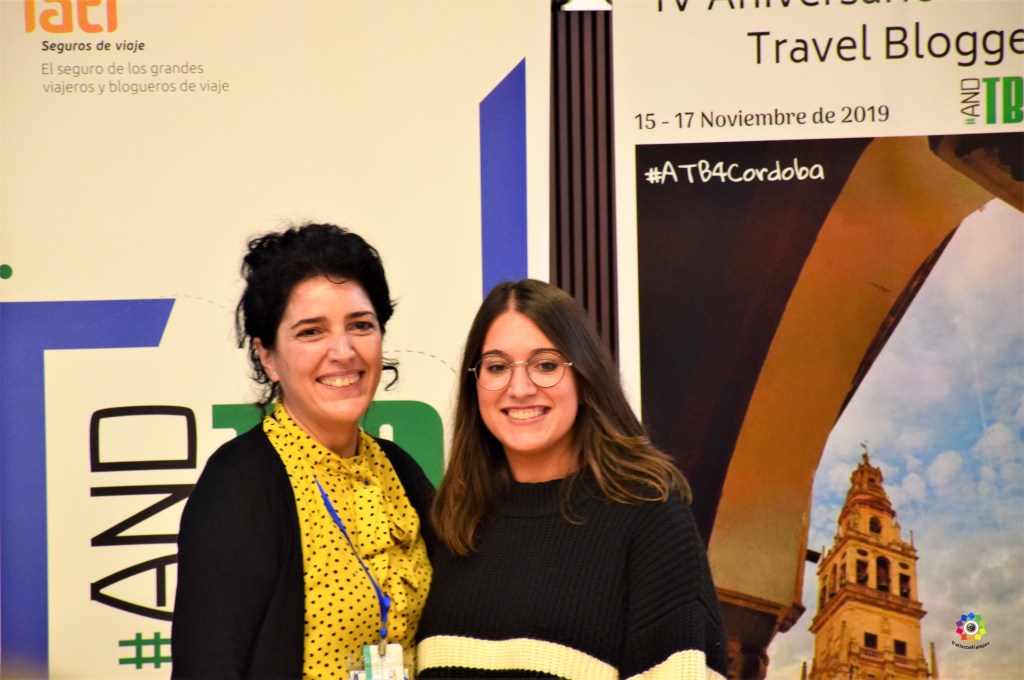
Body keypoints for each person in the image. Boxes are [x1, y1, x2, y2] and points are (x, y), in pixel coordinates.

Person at [416, 279, 728, 679]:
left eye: (545, 365)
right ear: (473, 384)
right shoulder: (453, 520)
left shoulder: (649, 515)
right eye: (496, 367)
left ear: (584, 374)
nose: (520, 388)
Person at [172, 223, 434, 679]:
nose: (344, 351)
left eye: (361, 325)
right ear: (268, 356)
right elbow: (208, 665)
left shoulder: (398, 470)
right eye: (312, 332)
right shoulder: (241, 483)